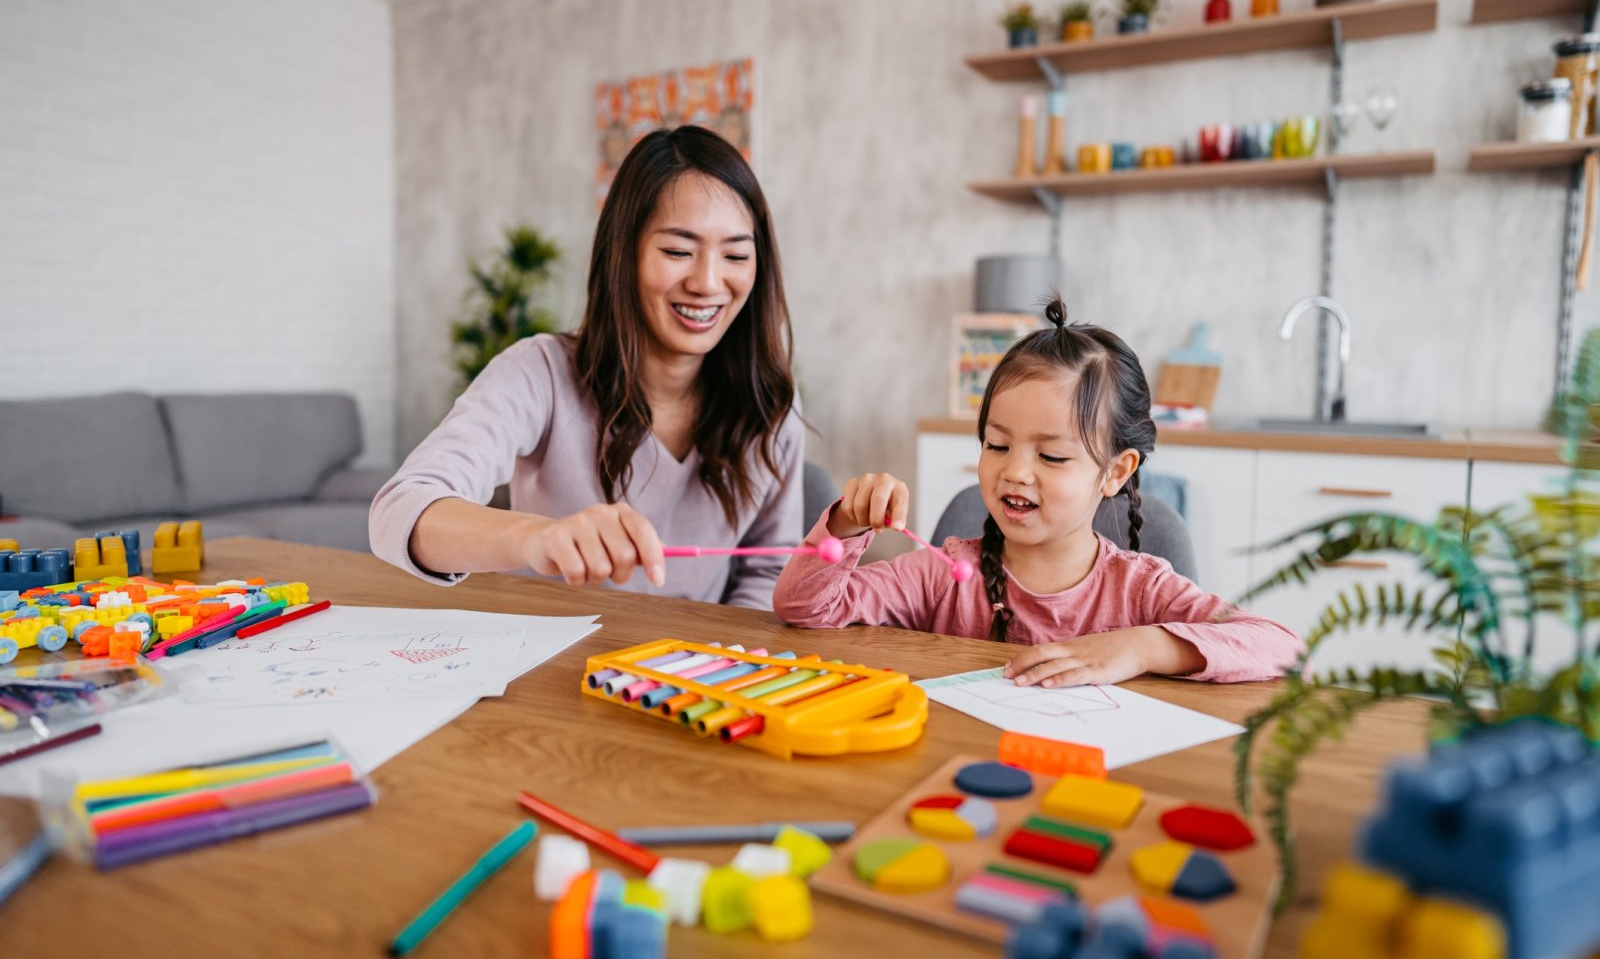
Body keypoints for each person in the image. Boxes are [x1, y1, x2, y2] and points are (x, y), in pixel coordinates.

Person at [370, 126, 803, 608]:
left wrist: (720, 662)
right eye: (678, 251)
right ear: (625, 254)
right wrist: (536, 538)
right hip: (547, 665)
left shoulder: (770, 403)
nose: (707, 282)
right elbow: (398, 512)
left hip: (692, 673)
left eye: (736, 255)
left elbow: (769, 569)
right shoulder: (540, 373)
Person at [773, 297, 1303, 686]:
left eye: (1051, 456)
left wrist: (1143, 645)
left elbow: (1283, 647)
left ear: (1115, 472)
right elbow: (804, 608)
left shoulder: (1139, 592)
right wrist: (846, 522)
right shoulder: (942, 574)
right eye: (997, 445)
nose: (1015, 473)